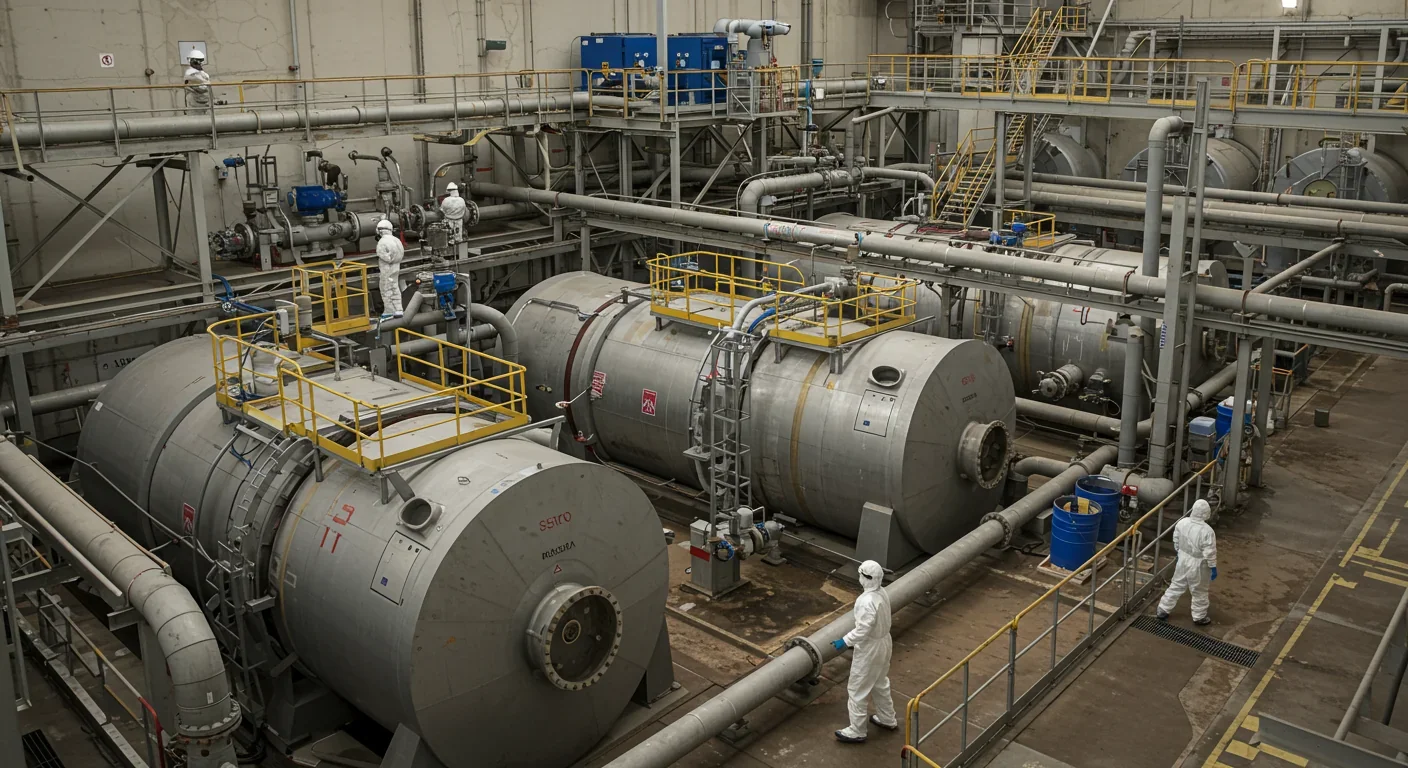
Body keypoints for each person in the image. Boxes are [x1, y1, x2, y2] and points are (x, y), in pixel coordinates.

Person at [832, 560, 898, 743]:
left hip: (871, 648)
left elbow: (863, 630)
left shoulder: (866, 601)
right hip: (885, 642)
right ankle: (887, 718)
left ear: (865, 577)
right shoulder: (882, 593)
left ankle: (857, 730)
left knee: (857, 688)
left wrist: (844, 641)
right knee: (879, 682)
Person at [1157, 498, 1218, 626]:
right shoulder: (1207, 531)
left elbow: (1176, 539)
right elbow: (1209, 552)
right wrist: (1213, 567)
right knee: (1199, 591)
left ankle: (1163, 609)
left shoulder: (1182, 522)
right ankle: (1199, 616)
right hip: (1198, 564)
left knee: (1176, 584)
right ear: (1206, 513)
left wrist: (1179, 552)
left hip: (1183, 559)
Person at [375, 219, 404, 319]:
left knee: (386, 288)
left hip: (387, 269)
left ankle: (389, 311)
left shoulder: (382, 242)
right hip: (396, 267)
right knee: (395, 287)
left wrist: (389, 259)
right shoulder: (397, 240)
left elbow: (385, 257)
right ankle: (398, 309)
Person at [184, 50, 212, 115]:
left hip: (205, 104)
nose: (200, 64)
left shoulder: (202, 73)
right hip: (194, 105)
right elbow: (203, 87)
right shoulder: (190, 74)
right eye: (197, 62)